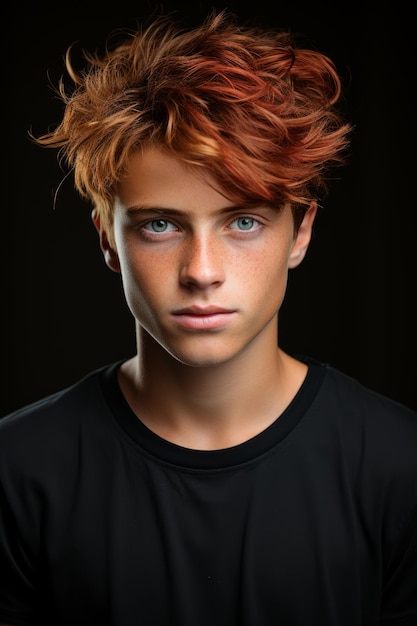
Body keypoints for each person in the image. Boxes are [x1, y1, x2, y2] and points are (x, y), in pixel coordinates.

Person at [0, 9, 416, 626]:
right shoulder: (16, 471)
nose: (202, 270)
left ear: (300, 233)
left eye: (243, 222)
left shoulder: (399, 464)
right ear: (108, 240)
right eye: (160, 225)